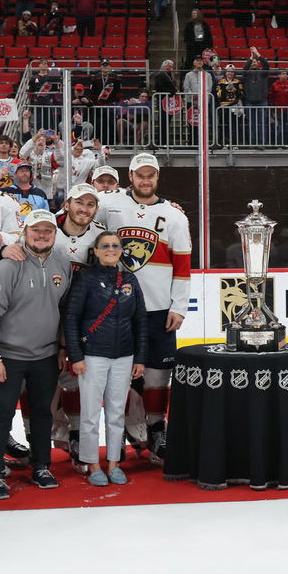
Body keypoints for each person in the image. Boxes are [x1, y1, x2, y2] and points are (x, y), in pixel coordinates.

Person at [94, 153, 190, 462]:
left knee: (158, 375)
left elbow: (183, 266)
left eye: (150, 175)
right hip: (116, 307)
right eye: (139, 175)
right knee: (117, 375)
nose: (145, 180)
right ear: (131, 176)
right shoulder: (108, 204)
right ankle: (120, 430)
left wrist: (179, 307)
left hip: (159, 308)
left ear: (157, 178)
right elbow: (73, 218)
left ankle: (155, 427)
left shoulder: (175, 216)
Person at [0, 210, 75, 499]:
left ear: (54, 234)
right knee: (1, 414)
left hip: (45, 355)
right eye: (36, 230)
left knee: (42, 413)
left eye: (47, 230)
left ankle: (41, 464)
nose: (42, 235)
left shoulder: (62, 263)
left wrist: (61, 347)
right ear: (25, 232)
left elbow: (63, 310)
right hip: (9, 356)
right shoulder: (11, 264)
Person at [63, 230, 146, 485]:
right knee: (89, 413)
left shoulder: (130, 278)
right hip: (92, 356)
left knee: (116, 413)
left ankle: (113, 462)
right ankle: (92, 463)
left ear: (121, 251)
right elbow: (71, 318)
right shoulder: (85, 278)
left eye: (115, 246)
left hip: (123, 356)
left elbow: (140, 320)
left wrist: (139, 358)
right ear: (96, 251)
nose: (111, 249)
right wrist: (75, 356)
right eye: (105, 246)